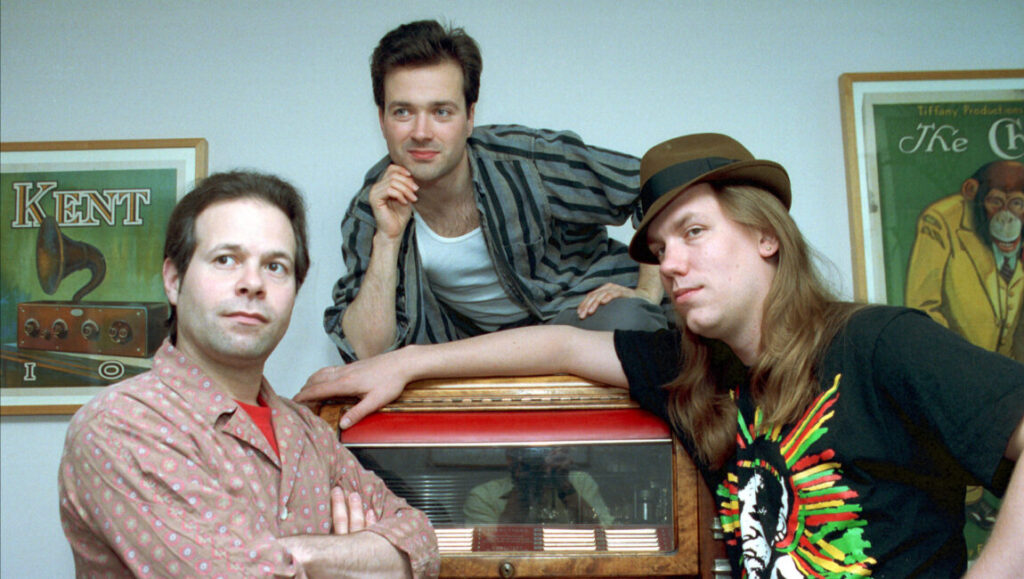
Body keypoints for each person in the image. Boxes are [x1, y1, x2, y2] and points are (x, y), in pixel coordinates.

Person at [299, 134, 1024, 577]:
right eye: (660, 248)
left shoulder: (877, 343)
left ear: (765, 234)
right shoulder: (694, 371)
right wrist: (408, 361)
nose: (672, 263)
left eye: (695, 232)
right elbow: (560, 343)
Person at [59, 171, 439, 578]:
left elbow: (422, 545)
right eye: (226, 260)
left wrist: (303, 558)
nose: (253, 283)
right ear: (173, 280)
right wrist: (354, 558)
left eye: (275, 266)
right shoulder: (121, 427)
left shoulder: (310, 433)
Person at [326, 19, 667, 362]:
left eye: (441, 112)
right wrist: (387, 239)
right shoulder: (371, 209)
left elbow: (653, 186)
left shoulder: (525, 159)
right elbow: (368, 350)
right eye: (403, 112)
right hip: (470, 353)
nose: (421, 132)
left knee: (633, 322)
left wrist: (647, 292)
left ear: (470, 117)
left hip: (577, 315)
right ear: (382, 119)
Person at [905, 160, 1024, 361]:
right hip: (959, 364)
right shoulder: (941, 220)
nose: (1006, 218)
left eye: (1016, 203)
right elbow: (923, 307)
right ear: (971, 192)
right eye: (995, 202)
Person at [463, 447, 615, 526]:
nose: (541, 463)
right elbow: (488, 546)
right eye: (531, 458)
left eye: (547, 455)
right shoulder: (484, 496)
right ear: (510, 459)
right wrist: (523, 486)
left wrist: (564, 485)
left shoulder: (581, 483)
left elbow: (604, 533)